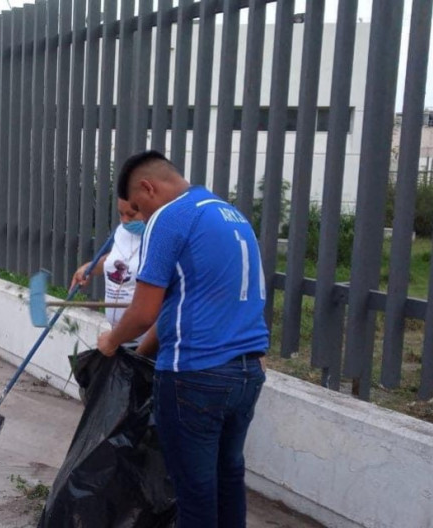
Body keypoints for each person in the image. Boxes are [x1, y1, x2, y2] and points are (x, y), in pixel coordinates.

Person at [97, 151, 268, 528]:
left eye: (139, 208)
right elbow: (180, 306)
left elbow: (142, 313)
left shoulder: (170, 218)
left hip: (195, 376)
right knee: (228, 481)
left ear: (148, 187)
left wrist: (112, 341)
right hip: (246, 373)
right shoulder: (229, 214)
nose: (141, 218)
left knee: (195, 495)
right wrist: (140, 357)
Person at [70, 199, 146, 345]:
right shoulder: (122, 231)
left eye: (131, 215)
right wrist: (89, 268)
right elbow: (115, 258)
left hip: (145, 342)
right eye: (120, 214)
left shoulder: (159, 238)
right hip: (119, 337)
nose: (124, 221)